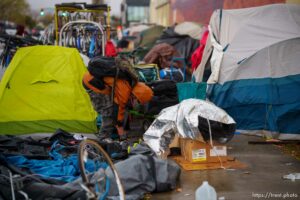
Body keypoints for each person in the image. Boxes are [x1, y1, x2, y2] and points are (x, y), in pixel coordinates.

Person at [83, 71, 153, 140]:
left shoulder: (136, 84)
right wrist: (120, 128)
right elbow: (118, 109)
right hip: (92, 82)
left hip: (99, 78)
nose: (137, 102)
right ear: (135, 95)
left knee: (117, 108)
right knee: (108, 112)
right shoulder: (124, 92)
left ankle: (114, 129)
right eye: (138, 100)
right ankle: (102, 138)